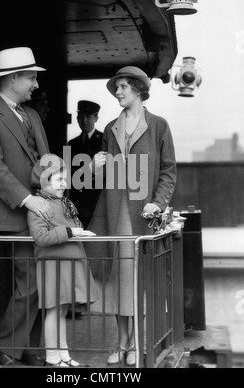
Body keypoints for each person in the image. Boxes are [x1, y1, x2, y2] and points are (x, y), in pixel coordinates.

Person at [89, 66, 177, 366]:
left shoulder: (158, 125)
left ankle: (138, 342)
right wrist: (96, 167)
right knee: (118, 282)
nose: (118, 91)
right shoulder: (111, 127)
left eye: (124, 86)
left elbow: (168, 171)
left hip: (142, 215)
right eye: (117, 87)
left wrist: (158, 203)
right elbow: (103, 178)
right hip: (115, 213)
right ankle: (123, 343)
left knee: (140, 281)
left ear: (139, 89)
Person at [0, 47, 53, 366]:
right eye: (31, 77)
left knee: (40, 282)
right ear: (13, 78)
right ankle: (7, 349)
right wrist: (28, 198)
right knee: (31, 283)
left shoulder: (32, 114)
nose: (36, 85)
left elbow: (47, 161)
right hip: (10, 213)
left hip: (38, 213)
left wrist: (54, 194)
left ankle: (22, 350)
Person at [27, 153, 98, 367]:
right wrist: (71, 232)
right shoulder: (41, 205)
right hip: (53, 265)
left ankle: (63, 356)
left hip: (63, 264)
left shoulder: (63, 202)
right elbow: (41, 237)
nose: (64, 184)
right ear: (44, 182)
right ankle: (52, 358)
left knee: (62, 310)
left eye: (65, 179)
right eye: (59, 180)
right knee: (54, 310)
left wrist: (74, 232)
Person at [67, 100, 103, 229]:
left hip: (96, 203)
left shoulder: (104, 141)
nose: (85, 120)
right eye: (81, 117)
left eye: (88, 117)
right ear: (77, 119)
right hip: (77, 204)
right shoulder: (72, 144)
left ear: (96, 118)